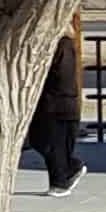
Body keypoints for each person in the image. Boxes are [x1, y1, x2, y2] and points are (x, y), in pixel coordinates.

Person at [25, 42, 86, 193]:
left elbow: (61, 76)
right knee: (48, 143)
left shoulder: (62, 45)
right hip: (57, 102)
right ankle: (64, 175)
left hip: (58, 103)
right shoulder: (61, 46)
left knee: (52, 144)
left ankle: (62, 179)